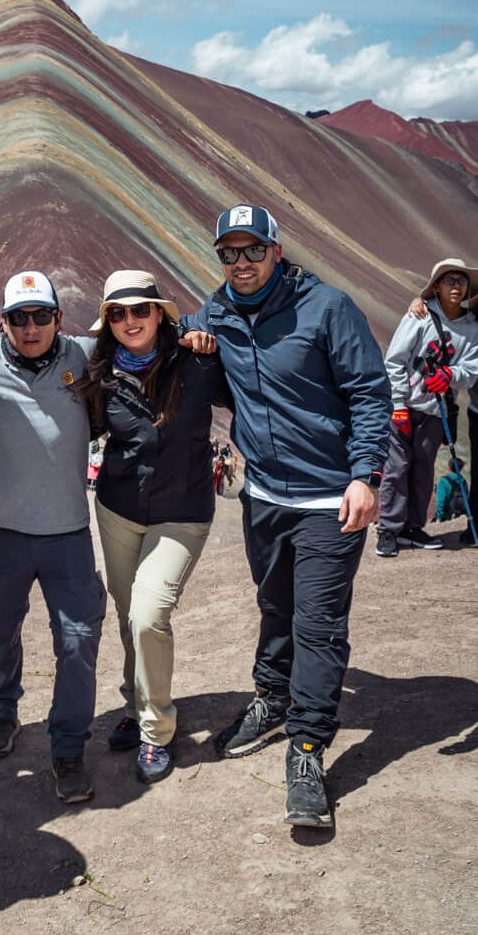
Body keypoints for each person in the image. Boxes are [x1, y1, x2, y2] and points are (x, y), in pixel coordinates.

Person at [183, 204, 391, 829]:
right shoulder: (219, 310)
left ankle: (307, 749)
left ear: (277, 251)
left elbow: (368, 391)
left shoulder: (328, 308)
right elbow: (181, 329)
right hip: (266, 495)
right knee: (274, 605)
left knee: (319, 624)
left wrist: (365, 475)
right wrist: (187, 337)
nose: (241, 263)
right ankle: (271, 699)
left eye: (253, 251)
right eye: (230, 253)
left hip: (331, 498)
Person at [77, 270, 229, 783]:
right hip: (119, 509)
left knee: (147, 614)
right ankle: (135, 703)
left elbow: (257, 390)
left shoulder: (198, 361)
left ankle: (156, 731)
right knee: (127, 615)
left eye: (141, 309)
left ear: (160, 313)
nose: (130, 320)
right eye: (117, 313)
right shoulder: (99, 373)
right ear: (107, 323)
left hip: (182, 512)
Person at [0, 271, 106, 803]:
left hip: (67, 534)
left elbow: (146, 333)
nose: (31, 328)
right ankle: (2, 713)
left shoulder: (84, 355)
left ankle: (68, 747)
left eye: (41, 316)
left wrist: (193, 335)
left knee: (78, 640)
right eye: (19, 318)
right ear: (2, 322)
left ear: (58, 319)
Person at [396, 264, 478, 548]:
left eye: (461, 281)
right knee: (399, 467)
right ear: (438, 285)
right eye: (450, 280)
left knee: (422, 467)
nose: (457, 286)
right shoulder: (426, 317)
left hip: (444, 408)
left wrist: (452, 375)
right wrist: (397, 405)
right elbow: (395, 361)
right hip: (419, 405)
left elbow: (470, 367)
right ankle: (392, 529)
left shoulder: (471, 322)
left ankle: (412, 528)